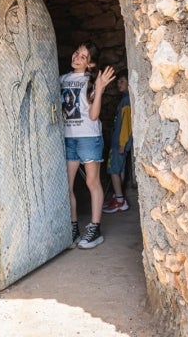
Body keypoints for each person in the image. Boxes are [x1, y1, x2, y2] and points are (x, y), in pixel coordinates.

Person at [60, 41, 115, 249]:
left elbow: (93, 115)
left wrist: (99, 88)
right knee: (67, 186)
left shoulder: (90, 81)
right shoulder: (62, 79)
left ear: (90, 64)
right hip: (68, 137)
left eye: (83, 57)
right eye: (76, 53)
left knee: (92, 183)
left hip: (89, 138)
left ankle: (95, 228)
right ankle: (73, 227)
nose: (77, 58)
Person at [103, 69, 133, 213]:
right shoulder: (125, 99)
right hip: (120, 143)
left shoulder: (126, 101)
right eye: (118, 82)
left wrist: (122, 143)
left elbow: (126, 125)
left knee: (113, 170)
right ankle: (117, 195)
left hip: (119, 144)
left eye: (122, 81)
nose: (118, 84)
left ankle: (120, 200)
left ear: (129, 83)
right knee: (119, 170)